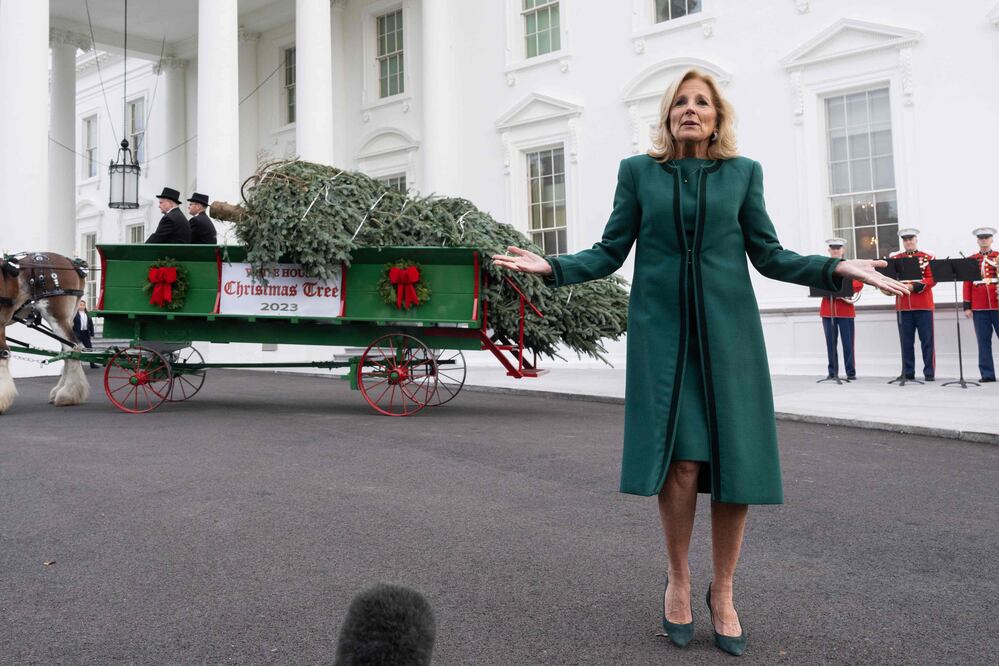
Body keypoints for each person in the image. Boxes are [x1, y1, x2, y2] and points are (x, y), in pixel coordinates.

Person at [491, 69, 908, 657]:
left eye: (702, 102)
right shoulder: (639, 173)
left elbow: (769, 254)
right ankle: (681, 581)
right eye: (680, 102)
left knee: (734, 466)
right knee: (683, 465)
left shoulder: (743, 174)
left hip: (728, 333)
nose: (691, 109)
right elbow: (611, 251)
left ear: (717, 117)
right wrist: (554, 267)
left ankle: (727, 590)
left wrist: (835, 269)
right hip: (664, 337)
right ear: (666, 117)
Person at [889, 228, 935, 380]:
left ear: (916, 239)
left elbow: (932, 279)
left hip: (923, 305)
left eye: (911, 239)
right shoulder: (895, 258)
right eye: (905, 239)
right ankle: (908, 372)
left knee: (927, 342)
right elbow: (889, 278)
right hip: (903, 306)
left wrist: (913, 286)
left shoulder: (927, 257)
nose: (908, 242)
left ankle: (929, 373)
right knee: (906, 342)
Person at [820, 238, 863, 380]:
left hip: (845, 309)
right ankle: (832, 372)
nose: (835, 250)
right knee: (830, 344)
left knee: (848, 343)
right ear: (829, 250)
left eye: (838, 248)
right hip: (828, 309)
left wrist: (842, 290)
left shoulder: (850, 265)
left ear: (843, 250)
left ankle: (851, 372)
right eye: (833, 248)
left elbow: (859, 283)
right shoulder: (823, 265)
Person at [963, 226, 999, 382]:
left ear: (991, 239)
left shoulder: (998, 256)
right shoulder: (972, 259)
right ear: (978, 241)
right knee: (983, 342)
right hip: (979, 306)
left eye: (987, 237)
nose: (984, 240)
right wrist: (967, 306)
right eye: (981, 238)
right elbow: (967, 284)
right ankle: (987, 374)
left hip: (997, 304)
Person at [72, 300, 98, 368]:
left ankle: (92, 364)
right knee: (77, 349)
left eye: (83, 305)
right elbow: (71, 324)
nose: (82, 306)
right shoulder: (75, 314)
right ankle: (77, 365)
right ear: (77, 306)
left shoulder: (87, 314)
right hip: (77, 333)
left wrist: (92, 333)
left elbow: (91, 324)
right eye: (80, 305)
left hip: (86, 333)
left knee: (89, 348)